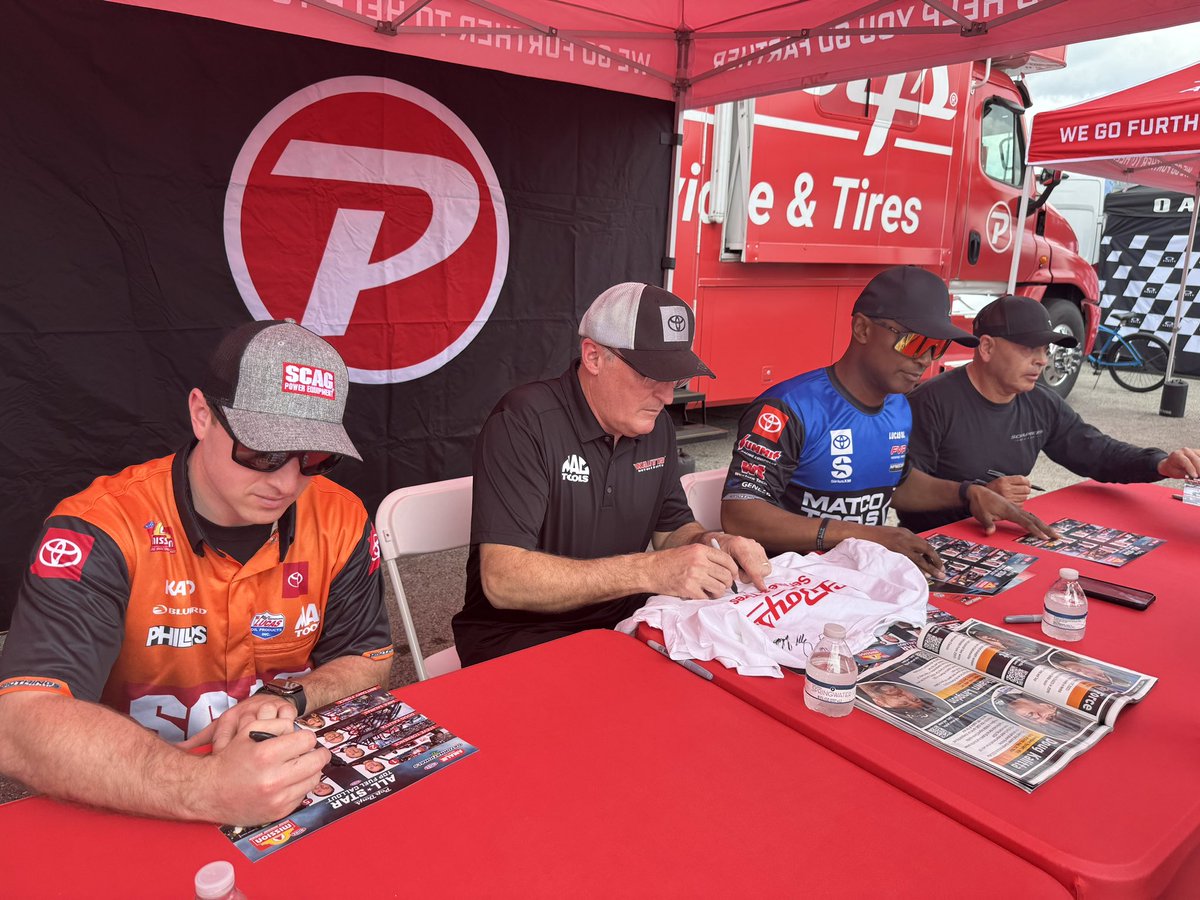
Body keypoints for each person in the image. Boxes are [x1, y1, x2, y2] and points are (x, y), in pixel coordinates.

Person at [0, 320, 393, 825]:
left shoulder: (341, 516)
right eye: (263, 449)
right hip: (126, 789)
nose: (287, 480)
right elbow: (19, 722)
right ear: (202, 414)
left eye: (314, 456)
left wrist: (289, 697)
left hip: (280, 779)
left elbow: (368, 657)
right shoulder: (101, 528)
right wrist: (202, 787)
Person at [452, 282, 771, 665]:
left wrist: (713, 545)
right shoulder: (523, 422)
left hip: (625, 627)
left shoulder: (655, 428)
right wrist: (650, 570)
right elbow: (503, 580)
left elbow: (672, 531)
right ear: (594, 357)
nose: (668, 397)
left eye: (676, 379)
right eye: (652, 377)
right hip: (520, 640)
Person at [720, 266, 1056, 578]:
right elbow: (741, 513)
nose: (924, 359)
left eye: (937, 347)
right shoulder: (787, 407)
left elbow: (896, 483)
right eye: (914, 342)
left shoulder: (898, 406)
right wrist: (863, 535)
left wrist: (969, 493)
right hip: (788, 584)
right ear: (862, 328)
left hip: (865, 580)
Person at [902, 295, 1200, 532]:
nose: (1042, 361)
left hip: (1005, 539)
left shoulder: (1041, 403)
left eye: (1045, 349)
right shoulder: (929, 403)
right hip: (934, 544)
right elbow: (903, 493)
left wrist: (1159, 463)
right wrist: (974, 495)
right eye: (1029, 348)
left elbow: (1098, 452)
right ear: (987, 347)